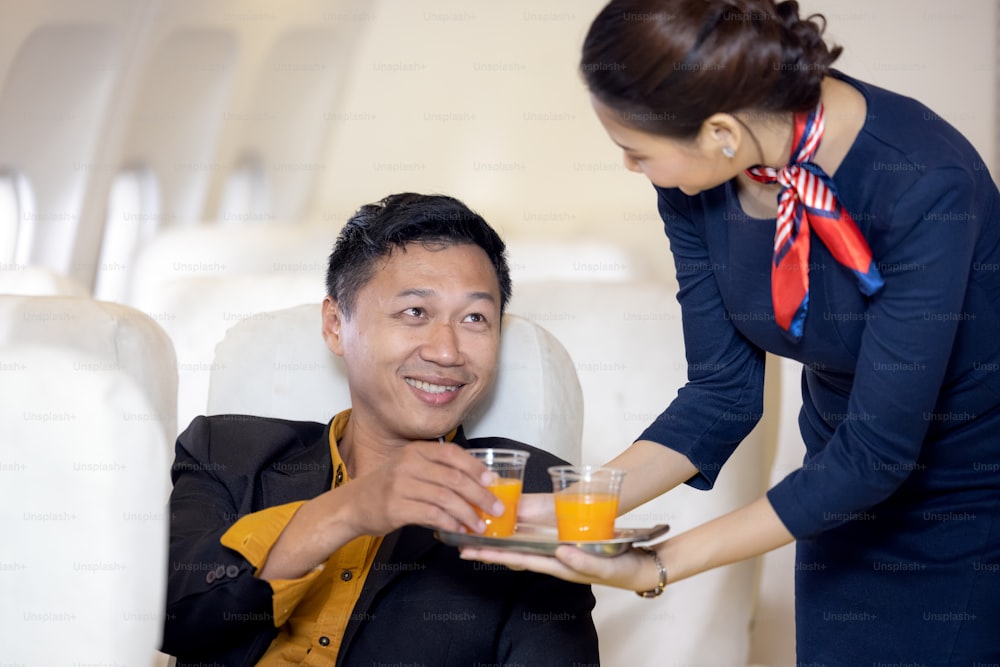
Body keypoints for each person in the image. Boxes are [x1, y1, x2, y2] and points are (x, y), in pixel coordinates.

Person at [461, 1, 1000, 665]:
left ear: (719, 130)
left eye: (636, 151)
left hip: (970, 500)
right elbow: (721, 393)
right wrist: (569, 507)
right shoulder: (700, 182)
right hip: (835, 497)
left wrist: (660, 563)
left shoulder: (925, 181)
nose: (633, 168)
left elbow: (876, 454)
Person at [161, 193, 600, 666]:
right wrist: (349, 510)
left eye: (475, 318)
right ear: (335, 325)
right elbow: (171, 619)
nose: (447, 352)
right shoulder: (227, 453)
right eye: (415, 313)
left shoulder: (525, 493)